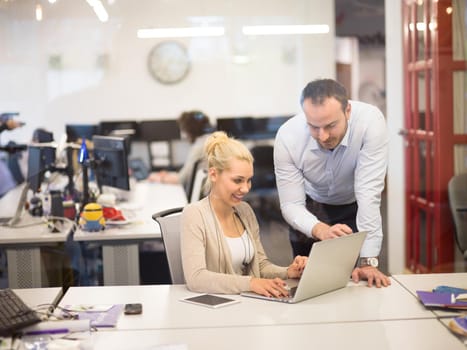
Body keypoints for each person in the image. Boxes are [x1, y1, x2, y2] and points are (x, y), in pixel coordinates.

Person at [274, 78, 391, 288]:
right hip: (310, 206)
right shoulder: (288, 136)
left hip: (353, 203)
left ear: (347, 110)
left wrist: (368, 262)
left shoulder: (370, 122)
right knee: (306, 280)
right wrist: (320, 230)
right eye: (314, 127)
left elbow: (368, 195)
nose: (323, 136)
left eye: (330, 125)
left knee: (349, 281)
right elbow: (291, 204)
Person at [181, 131, 307, 297]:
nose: (246, 189)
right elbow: (196, 279)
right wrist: (250, 283)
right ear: (213, 174)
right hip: (214, 308)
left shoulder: (244, 211)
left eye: (249, 180)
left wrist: (288, 272)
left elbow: (260, 266)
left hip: (246, 303)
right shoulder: (194, 214)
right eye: (238, 180)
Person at [148, 110, 213, 193]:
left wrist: (159, 178)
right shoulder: (209, 140)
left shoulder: (199, 147)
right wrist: (168, 175)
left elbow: (181, 179)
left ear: (189, 130)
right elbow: (186, 174)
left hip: (197, 197)